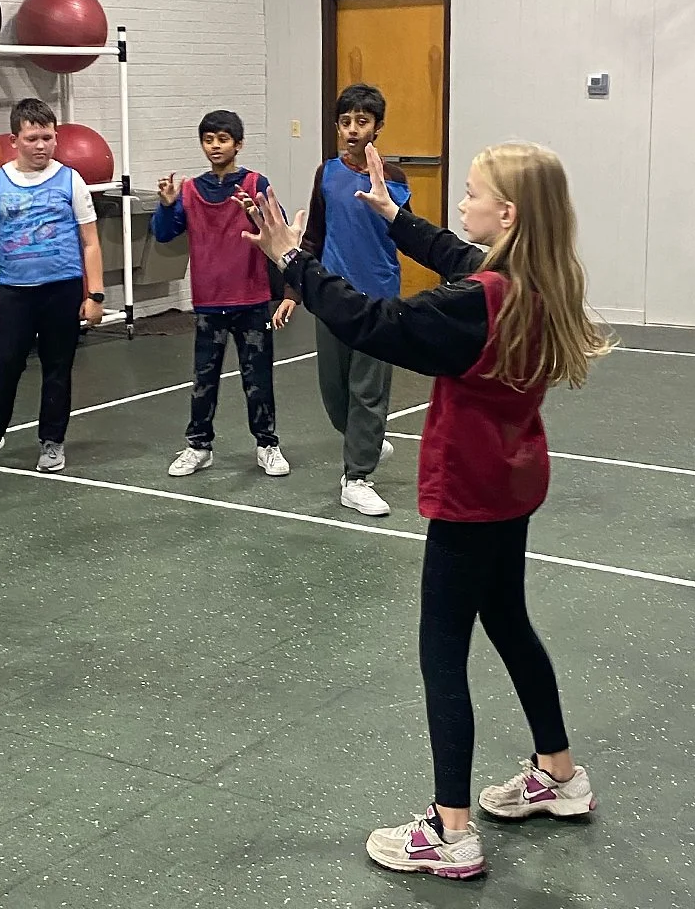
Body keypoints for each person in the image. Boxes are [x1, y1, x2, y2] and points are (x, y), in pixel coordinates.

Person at [242, 141, 611, 880]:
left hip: (470, 494)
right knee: (508, 622)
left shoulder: (477, 301)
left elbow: (372, 321)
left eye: (472, 192)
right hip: (511, 483)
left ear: (507, 214)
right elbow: (453, 254)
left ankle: (450, 831)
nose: (462, 203)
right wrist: (393, 217)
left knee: (442, 652)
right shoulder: (541, 278)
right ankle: (560, 774)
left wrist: (292, 261)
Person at [0, 99, 104, 474]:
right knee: (4, 365)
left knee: (58, 368)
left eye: (47, 138)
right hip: (15, 293)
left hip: (62, 290)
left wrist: (95, 295)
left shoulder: (71, 180)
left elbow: (90, 242)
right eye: (33, 138)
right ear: (14, 140)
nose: (41, 146)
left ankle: (52, 441)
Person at [153, 110, 296, 478]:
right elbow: (165, 234)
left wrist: (256, 214)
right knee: (204, 379)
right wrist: (166, 205)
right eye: (208, 140)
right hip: (208, 302)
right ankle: (198, 446)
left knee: (258, 377)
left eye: (222, 139)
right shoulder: (189, 190)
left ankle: (267, 444)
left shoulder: (255, 183)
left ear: (238, 144)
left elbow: (278, 230)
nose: (215, 146)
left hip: (251, 300)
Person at [300, 83, 412, 517]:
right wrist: (294, 289)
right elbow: (314, 235)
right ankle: (367, 440)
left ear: (377, 128)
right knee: (334, 393)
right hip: (332, 296)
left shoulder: (394, 179)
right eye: (345, 122)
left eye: (361, 122)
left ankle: (357, 477)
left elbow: (407, 233)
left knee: (368, 390)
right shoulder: (325, 174)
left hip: (378, 299)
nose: (351, 129)